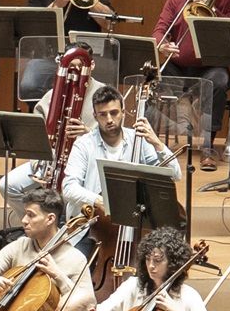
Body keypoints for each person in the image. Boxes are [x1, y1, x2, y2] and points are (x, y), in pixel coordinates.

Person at [148, 0, 230, 163]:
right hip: (178, 66)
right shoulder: (176, 0)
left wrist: (212, 9)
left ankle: (207, 147)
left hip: (210, 67)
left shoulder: (227, 2)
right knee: (152, 78)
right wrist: (163, 45)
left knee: (219, 82)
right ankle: (148, 146)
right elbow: (159, 30)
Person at [59, 85, 178, 217]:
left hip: (131, 217)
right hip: (92, 221)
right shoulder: (83, 144)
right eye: (103, 115)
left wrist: (157, 143)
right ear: (95, 116)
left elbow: (175, 175)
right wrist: (100, 201)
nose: (109, 120)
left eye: (114, 113)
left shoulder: (139, 139)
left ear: (123, 112)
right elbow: (68, 188)